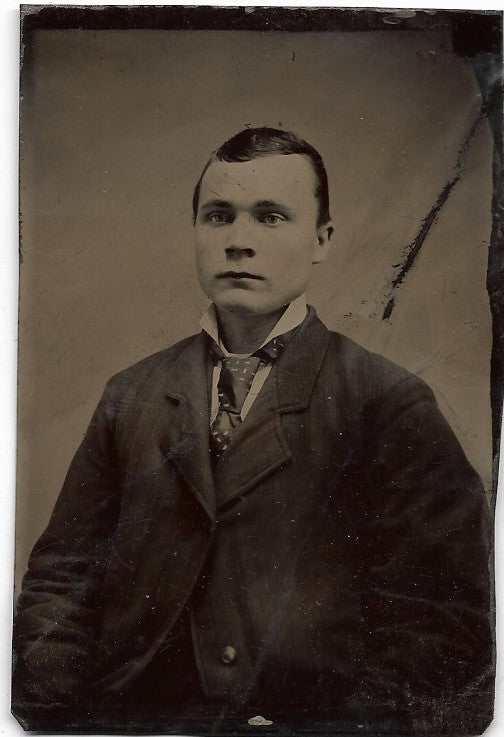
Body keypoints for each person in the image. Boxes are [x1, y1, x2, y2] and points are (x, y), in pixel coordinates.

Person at [12, 128, 493, 735]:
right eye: (218, 217)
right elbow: (62, 579)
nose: (238, 242)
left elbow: (442, 630)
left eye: (270, 218)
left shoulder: (387, 403)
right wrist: (62, 718)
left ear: (321, 240)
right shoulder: (131, 394)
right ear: (194, 231)